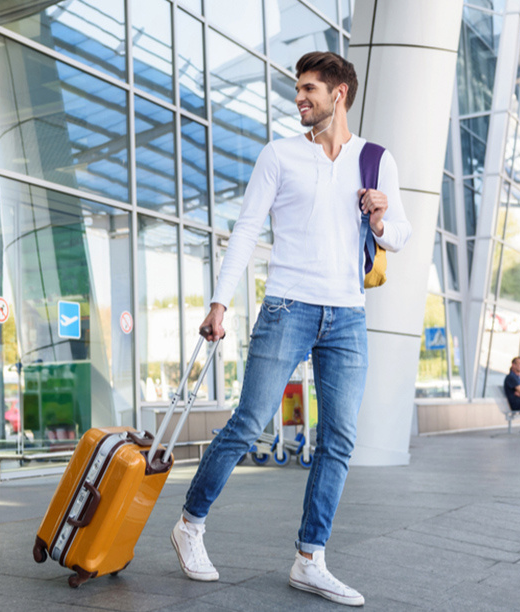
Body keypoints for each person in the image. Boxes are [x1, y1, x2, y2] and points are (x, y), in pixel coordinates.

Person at [169, 51, 411, 607]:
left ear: (339, 94)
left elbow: (398, 236)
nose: (299, 99)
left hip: (347, 315)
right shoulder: (279, 155)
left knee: (339, 439)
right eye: (298, 90)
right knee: (249, 420)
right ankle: (190, 524)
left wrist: (379, 215)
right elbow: (247, 229)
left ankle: (310, 558)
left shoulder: (375, 160)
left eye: (309, 89)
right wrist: (218, 303)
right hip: (286, 306)